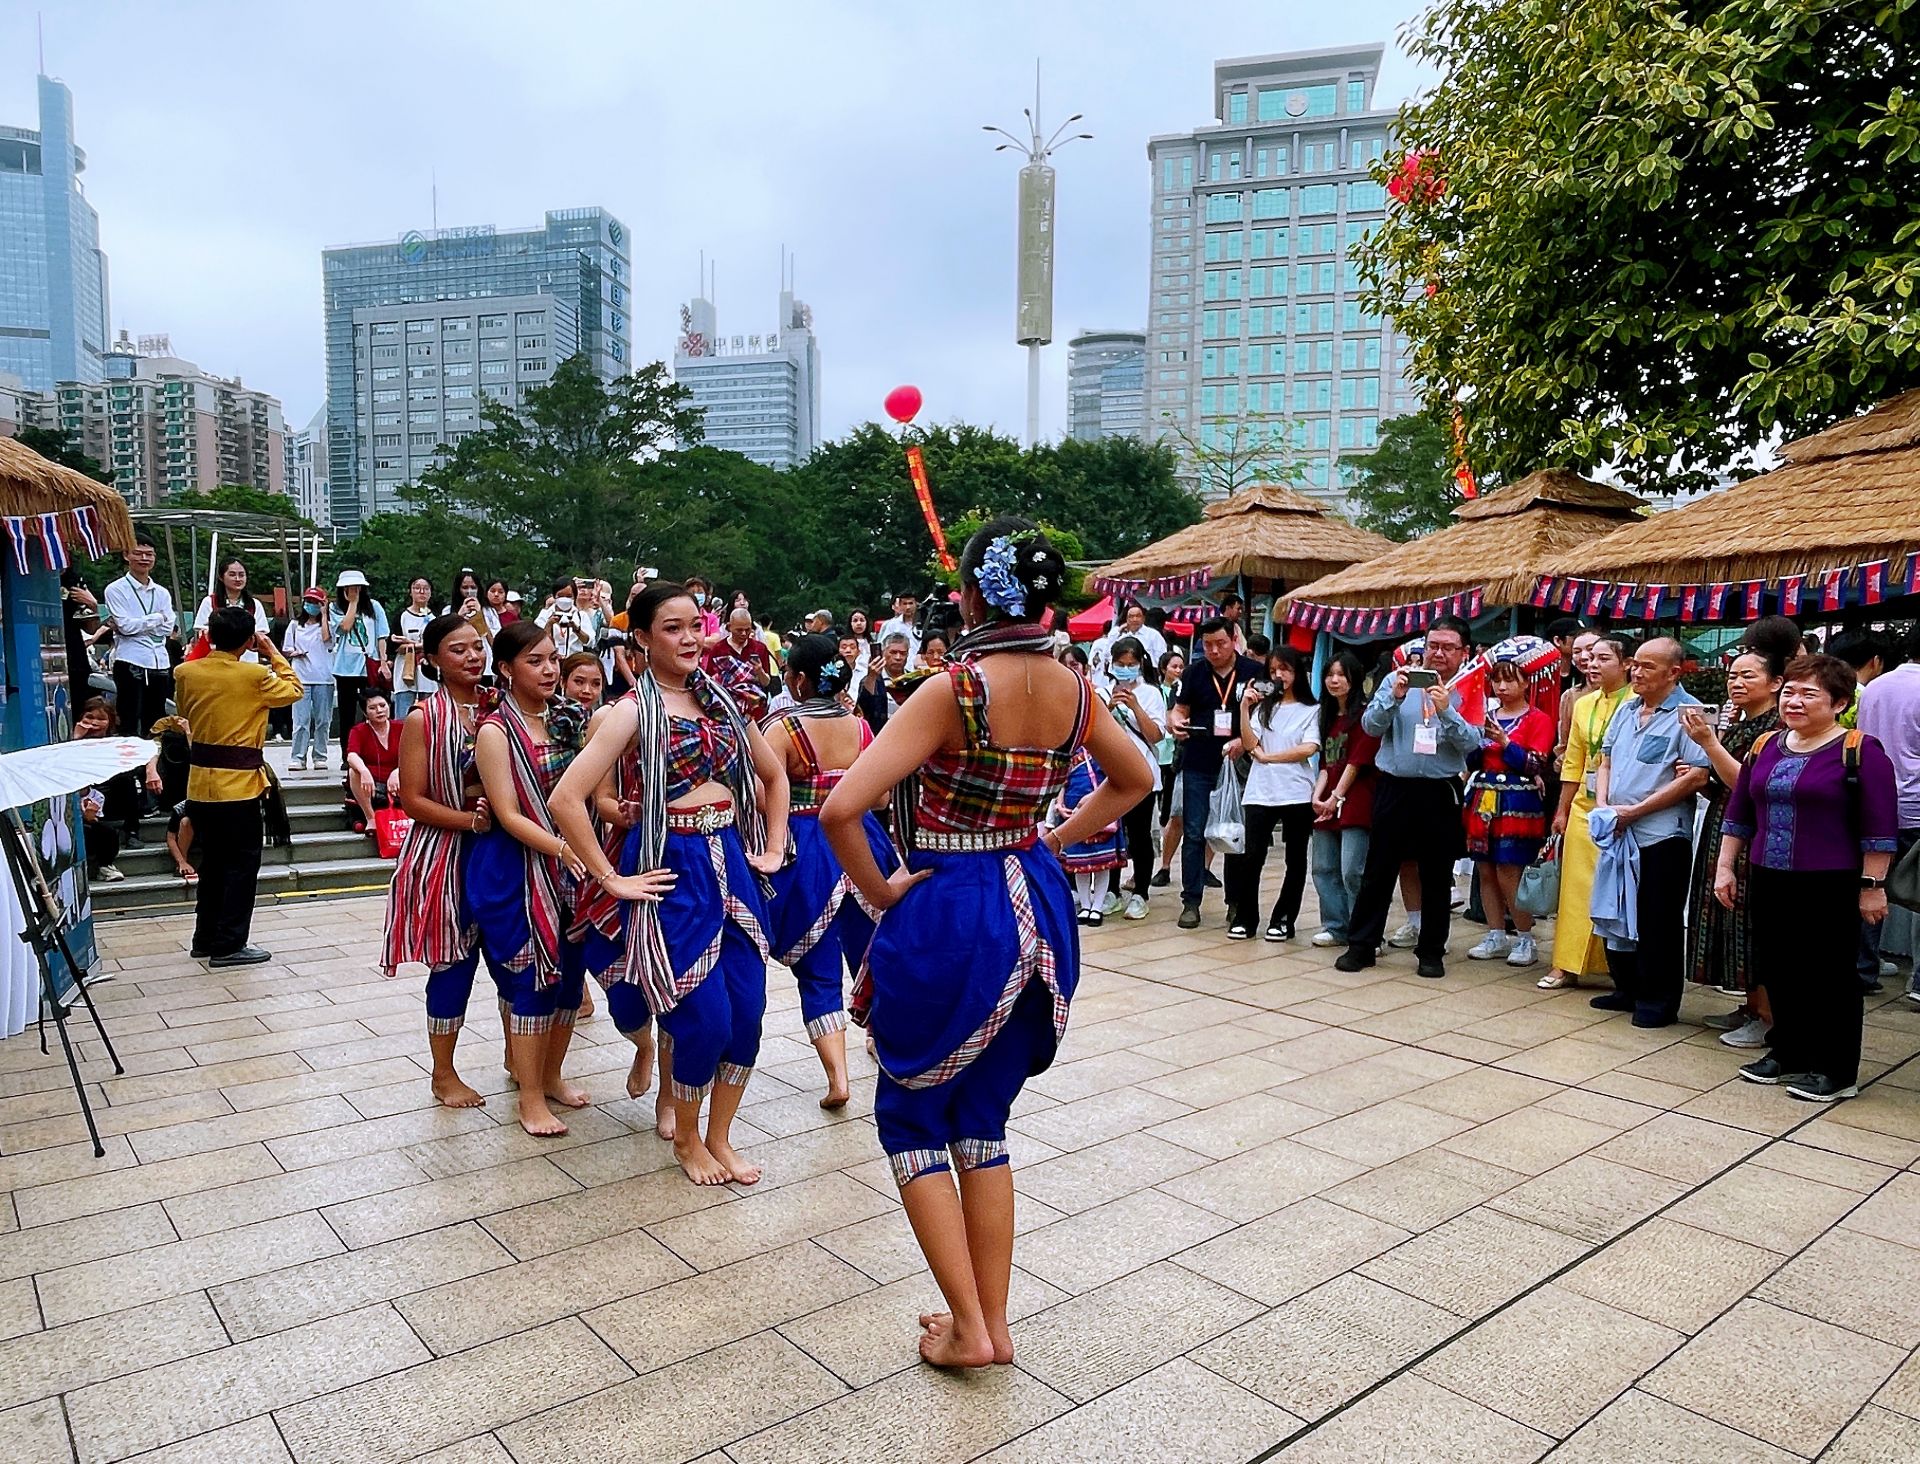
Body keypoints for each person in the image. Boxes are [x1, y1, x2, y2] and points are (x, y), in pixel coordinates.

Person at [819, 517, 1149, 1370]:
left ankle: (969, 1327)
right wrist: (1061, 834)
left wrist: (881, 889)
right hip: (1034, 899)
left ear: (970, 595)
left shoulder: (951, 690)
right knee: (983, 1118)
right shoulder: (1077, 689)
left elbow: (841, 809)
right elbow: (1137, 778)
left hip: (951, 908)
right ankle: (991, 1324)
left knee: (911, 1113)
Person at [550, 581, 786, 1186]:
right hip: (670, 872)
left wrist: (775, 845)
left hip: (731, 860)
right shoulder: (630, 711)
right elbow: (567, 798)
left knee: (749, 1013)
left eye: (693, 625)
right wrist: (611, 878)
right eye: (671, 629)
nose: (688, 639)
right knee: (703, 1018)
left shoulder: (726, 703)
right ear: (643, 640)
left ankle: (720, 1137)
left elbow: (773, 774)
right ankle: (687, 1140)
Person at [1720, 654, 1898, 1102]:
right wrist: (1726, 866)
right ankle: (1788, 1052)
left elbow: (1880, 827)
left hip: (1831, 880)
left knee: (1831, 975)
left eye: (1808, 694)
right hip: (1769, 874)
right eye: (1789, 692)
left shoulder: (1859, 750)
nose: (1793, 702)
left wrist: (1873, 887)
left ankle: (1836, 1070)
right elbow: (1739, 811)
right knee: (1779, 967)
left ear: (1839, 702)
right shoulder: (1765, 745)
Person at [466, 621, 595, 1136]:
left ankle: (552, 1074)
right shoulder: (495, 731)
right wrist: (564, 847)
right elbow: (508, 812)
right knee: (532, 980)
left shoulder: (569, 718)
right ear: (506, 670)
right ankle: (529, 1097)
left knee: (569, 976)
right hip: (517, 869)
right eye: (534, 661)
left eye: (551, 659)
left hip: (572, 867)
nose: (548, 670)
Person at [759, 634, 897, 1107]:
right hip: (863, 844)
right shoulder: (860, 728)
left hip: (806, 849)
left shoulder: (780, 729)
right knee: (873, 953)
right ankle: (887, 1041)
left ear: (797, 679)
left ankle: (838, 1078)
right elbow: (880, 798)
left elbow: (762, 797)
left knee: (817, 970)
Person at [382, 614, 496, 1108]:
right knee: (453, 963)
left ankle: (524, 1060)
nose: (473, 656)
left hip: (505, 850)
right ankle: (443, 1071)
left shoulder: (503, 707)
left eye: (477, 647)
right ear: (430, 660)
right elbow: (412, 799)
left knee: (517, 959)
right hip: (448, 854)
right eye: (457, 650)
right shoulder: (424, 718)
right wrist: (469, 821)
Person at [1336, 616, 1478, 979]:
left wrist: (1446, 710)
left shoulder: (1470, 688)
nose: (1439, 653)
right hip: (1394, 786)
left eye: (1448, 647)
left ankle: (1431, 951)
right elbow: (1370, 726)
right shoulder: (1395, 679)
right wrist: (1394, 698)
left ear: (1464, 652)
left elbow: (1473, 743)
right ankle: (1362, 945)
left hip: (1440, 789)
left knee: (1436, 873)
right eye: (1433, 645)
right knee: (1378, 870)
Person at [1589, 637, 1713, 1027]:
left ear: (1673, 672)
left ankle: (1658, 1001)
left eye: (1647, 666)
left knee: (1657, 919)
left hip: (1661, 833)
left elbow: (1694, 776)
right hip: (1618, 828)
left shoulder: (1691, 714)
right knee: (1616, 909)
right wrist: (1604, 805)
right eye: (1635, 665)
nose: (1636, 673)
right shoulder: (1627, 709)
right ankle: (1626, 987)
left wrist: (1636, 811)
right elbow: (1606, 758)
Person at [172, 606, 303, 966]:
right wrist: (272, 651)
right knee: (241, 865)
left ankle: (206, 936)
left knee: (212, 862)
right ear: (249, 640)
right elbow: (294, 689)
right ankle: (229, 943)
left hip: (199, 783)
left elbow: (185, 712)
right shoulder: (253, 675)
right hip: (239, 786)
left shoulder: (185, 672)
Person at [1680, 641, 1785, 1043]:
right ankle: (1749, 1005)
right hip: (1725, 826)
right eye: (1732, 675)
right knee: (1727, 917)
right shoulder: (1743, 722)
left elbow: (1748, 784)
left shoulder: (1775, 728)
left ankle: (1767, 1016)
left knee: (1748, 919)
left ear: (1776, 682)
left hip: (1753, 831)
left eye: (1748, 675)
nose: (1736, 682)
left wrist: (1709, 745)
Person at [1542, 633, 1632, 989]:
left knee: (1616, 889)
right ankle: (1565, 964)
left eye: (1602, 659)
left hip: (1623, 807)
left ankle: (1615, 965)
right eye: (1589, 658)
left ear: (1627, 665)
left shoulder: (1637, 702)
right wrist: (1562, 810)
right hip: (1584, 804)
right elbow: (1573, 761)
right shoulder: (1583, 703)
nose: (1592, 665)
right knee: (1576, 887)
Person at [1169, 618, 1264, 929]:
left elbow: (1266, 715)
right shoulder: (1193, 673)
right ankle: (1191, 901)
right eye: (1207, 645)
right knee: (1194, 833)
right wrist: (1176, 723)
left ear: (1234, 640)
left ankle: (1235, 902)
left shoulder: (1253, 672)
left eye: (1221, 644)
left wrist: (1243, 739)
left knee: (1235, 834)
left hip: (1238, 765)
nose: (1214, 650)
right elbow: (1179, 710)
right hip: (1199, 761)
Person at [1463, 653, 1556, 967]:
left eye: (1509, 680)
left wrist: (1505, 743)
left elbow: (1535, 763)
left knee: (1510, 870)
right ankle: (1496, 933)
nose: (1501, 686)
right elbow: (1472, 758)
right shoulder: (1485, 715)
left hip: (1518, 800)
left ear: (1526, 683)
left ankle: (1526, 936)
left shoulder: (1538, 719)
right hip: (1483, 796)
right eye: (1496, 680)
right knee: (1485, 869)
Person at [1233, 645, 1320, 942]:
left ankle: (1284, 918)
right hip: (1260, 791)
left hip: (1296, 791)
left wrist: (1270, 757)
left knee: (1295, 860)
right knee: (1252, 856)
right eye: (1272, 671)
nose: (1279, 675)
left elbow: (1308, 748)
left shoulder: (1312, 710)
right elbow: (1249, 743)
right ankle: (1246, 917)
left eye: (1285, 669)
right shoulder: (1263, 708)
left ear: (1298, 673)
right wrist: (1244, 707)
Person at [1857, 622, 1920, 1006]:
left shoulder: (1875, 687)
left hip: (1874, 803)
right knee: (1917, 893)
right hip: (1915, 804)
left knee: (1869, 884)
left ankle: (1862, 968)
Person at [1309, 650, 1378, 948]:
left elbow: (1356, 762)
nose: (1334, 681)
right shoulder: (1324, 716)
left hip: (1357, 801)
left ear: (1354, 679)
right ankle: (1336, 926)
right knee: (1323, 867)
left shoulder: (1366, 716)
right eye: (1330, 674)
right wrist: (1317, 796)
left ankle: (1365, 932)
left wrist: (1336, 797)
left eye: (1341, 675)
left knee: (1353, 870)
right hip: (1328, 801)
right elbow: (1327, 763)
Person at [1103, 636, 1166, 921]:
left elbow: (1155, 735)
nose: (1126, 669)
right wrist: (1110, 708)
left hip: (1142, 774)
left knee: (1139, 834)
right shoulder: (1102, 691)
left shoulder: (1152, 693)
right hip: (1109, 774)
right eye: (1120, 664)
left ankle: (1141, 891)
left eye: (1131, 664)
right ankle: (1111, 890)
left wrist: (1136, 707)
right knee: (1111, 832)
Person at [104, 534, 176, 739]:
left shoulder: (161, 592)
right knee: (129, 717)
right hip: (131, 660)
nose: (144, 558)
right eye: (138, 553)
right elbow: (126, 626)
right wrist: (156, 618)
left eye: (149, 554)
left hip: (159, 661)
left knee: (156, 720)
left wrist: (143, 623)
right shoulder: (116, 589)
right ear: (126, 555)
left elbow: (169, 627)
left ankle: (155, 765)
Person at [74, 697, 137, 883]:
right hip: (78, 798)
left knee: (127, 781)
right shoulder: (69, 740)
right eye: (89, 717)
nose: (94, 723)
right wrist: (77, 738)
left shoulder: (116, 742)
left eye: (101, 719)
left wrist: (151, 771)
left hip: (104, 795)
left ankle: (131, 833)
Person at [330, 571, 389, 759]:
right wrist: (352, 604)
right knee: (346, 715)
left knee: (372, 711)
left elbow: (381, 635)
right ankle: (348, 754)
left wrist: (383, 661)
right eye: (349, 587)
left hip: (368, 666)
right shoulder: (335, 608)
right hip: (345, 668)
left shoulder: (374, 607)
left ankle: (371, 752)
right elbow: (344, 627)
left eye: (357, 587)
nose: (354, 590)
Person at [284, 589, 335, 772]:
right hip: (301, 678)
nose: (311, 605)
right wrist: (296, 653)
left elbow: (327, 640)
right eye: (309, 601)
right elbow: (287, 648)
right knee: (301, 721)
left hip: (324, 678)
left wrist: (323, 615)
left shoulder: (328, 624)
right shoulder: (295, 625)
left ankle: (320, 755)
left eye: (316, 602)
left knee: (323, 720)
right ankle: (298, 756)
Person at [1152, 648, 1189, 888]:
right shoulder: (1159, 692)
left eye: (1181, 666)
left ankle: (1203, 870)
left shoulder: (1185, 688)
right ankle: (1164, 865)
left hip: (1174, 754)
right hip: (1163, 754)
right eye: (1173, 666)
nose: (1177, 670)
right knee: (1170, 812)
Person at [702, 607, 777, 719]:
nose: (743, 634)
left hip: (754, 709)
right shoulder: (719, 649)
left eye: (747, 630)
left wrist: (759, 671)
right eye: (739, 630)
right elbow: (710, 681)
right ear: (729, 627)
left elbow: (766, 683)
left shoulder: (759, 648)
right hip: (727, 708)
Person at [345, 691, 402, 835]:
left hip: (399, 780)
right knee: (354, 771)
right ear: (365, 712)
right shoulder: (359, 730)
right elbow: (351, 755)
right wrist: (364, 771)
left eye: (383, 705)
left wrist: (398, 771)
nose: (379, 710)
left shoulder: (402, 727)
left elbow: (415, 754)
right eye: (372, 708)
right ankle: (371, 818)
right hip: (371, 782)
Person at [192, 558, 270, 662]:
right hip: (216, 661)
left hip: (247, 661)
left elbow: (261, 634)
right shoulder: (210, 602)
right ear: (221, 577)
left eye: (241, 575)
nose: (238, 579)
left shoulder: (254, 604)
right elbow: (201, 632)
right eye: (232, 574)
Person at [391, 576, 436, 721]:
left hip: (429, 676)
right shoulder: (402, 616)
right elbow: (394, 645)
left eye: (426, 588)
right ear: (410, 591)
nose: (421, 592)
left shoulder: (435, 619)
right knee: (402, 719)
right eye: (417, 588)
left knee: (428, 718)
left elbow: (437, 644)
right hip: (405, 674)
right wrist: (416, 645)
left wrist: (410, 643)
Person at [859, 633, 912, 733]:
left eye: (903, 653)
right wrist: (872, 676)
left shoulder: (913, 680)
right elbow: (863, 707)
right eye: (893, 652)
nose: (898, 657)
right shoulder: (871, 679)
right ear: (883, 653)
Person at [878, 590, 922, 667]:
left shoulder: (924, 624)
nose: (908, 607)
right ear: (900, 605)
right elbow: (883, 646)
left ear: (916, 604)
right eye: (905, 604)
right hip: (898, 667)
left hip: (920, 667)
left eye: (910, 603)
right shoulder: (892, 625)